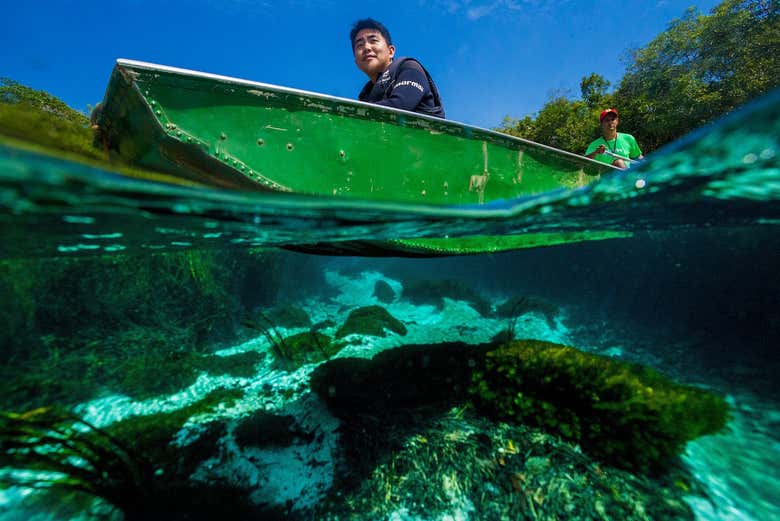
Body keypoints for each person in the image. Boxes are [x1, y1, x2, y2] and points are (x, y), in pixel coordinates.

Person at [350, 18, 445, 118]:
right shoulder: (365, 95)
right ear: (356, 62)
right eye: (359, 45)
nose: (367, 48)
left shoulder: (409, 67)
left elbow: (400, 106)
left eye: (373, 40)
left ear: (390, 51)